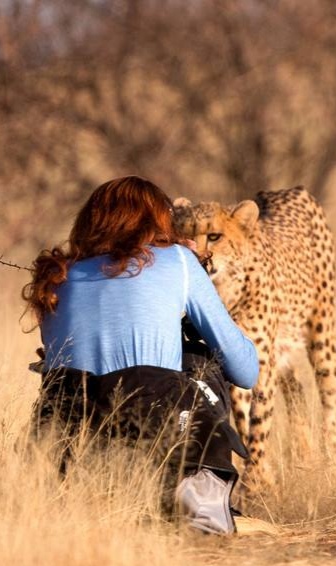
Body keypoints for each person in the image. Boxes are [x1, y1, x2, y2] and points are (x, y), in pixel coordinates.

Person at [22, 176, 259, 535]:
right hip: (153, 432)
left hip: (65, 442)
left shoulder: (56, 277)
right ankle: (195, 492)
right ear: (158, 222)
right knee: (198, 355)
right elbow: (246, 370)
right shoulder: (178, 261)